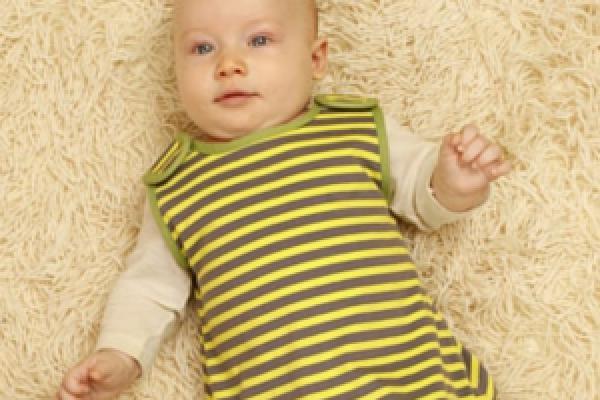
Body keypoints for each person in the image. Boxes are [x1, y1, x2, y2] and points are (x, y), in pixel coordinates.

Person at [56, 0, 511, 399]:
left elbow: (423, 194)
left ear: (315, 59)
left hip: (414, 382)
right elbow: (149, 288)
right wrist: (119, 355)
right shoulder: (178, 185)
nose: (229, 64)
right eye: (202, 48)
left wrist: (455, 181)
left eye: (258, 40)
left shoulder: (353, 130)